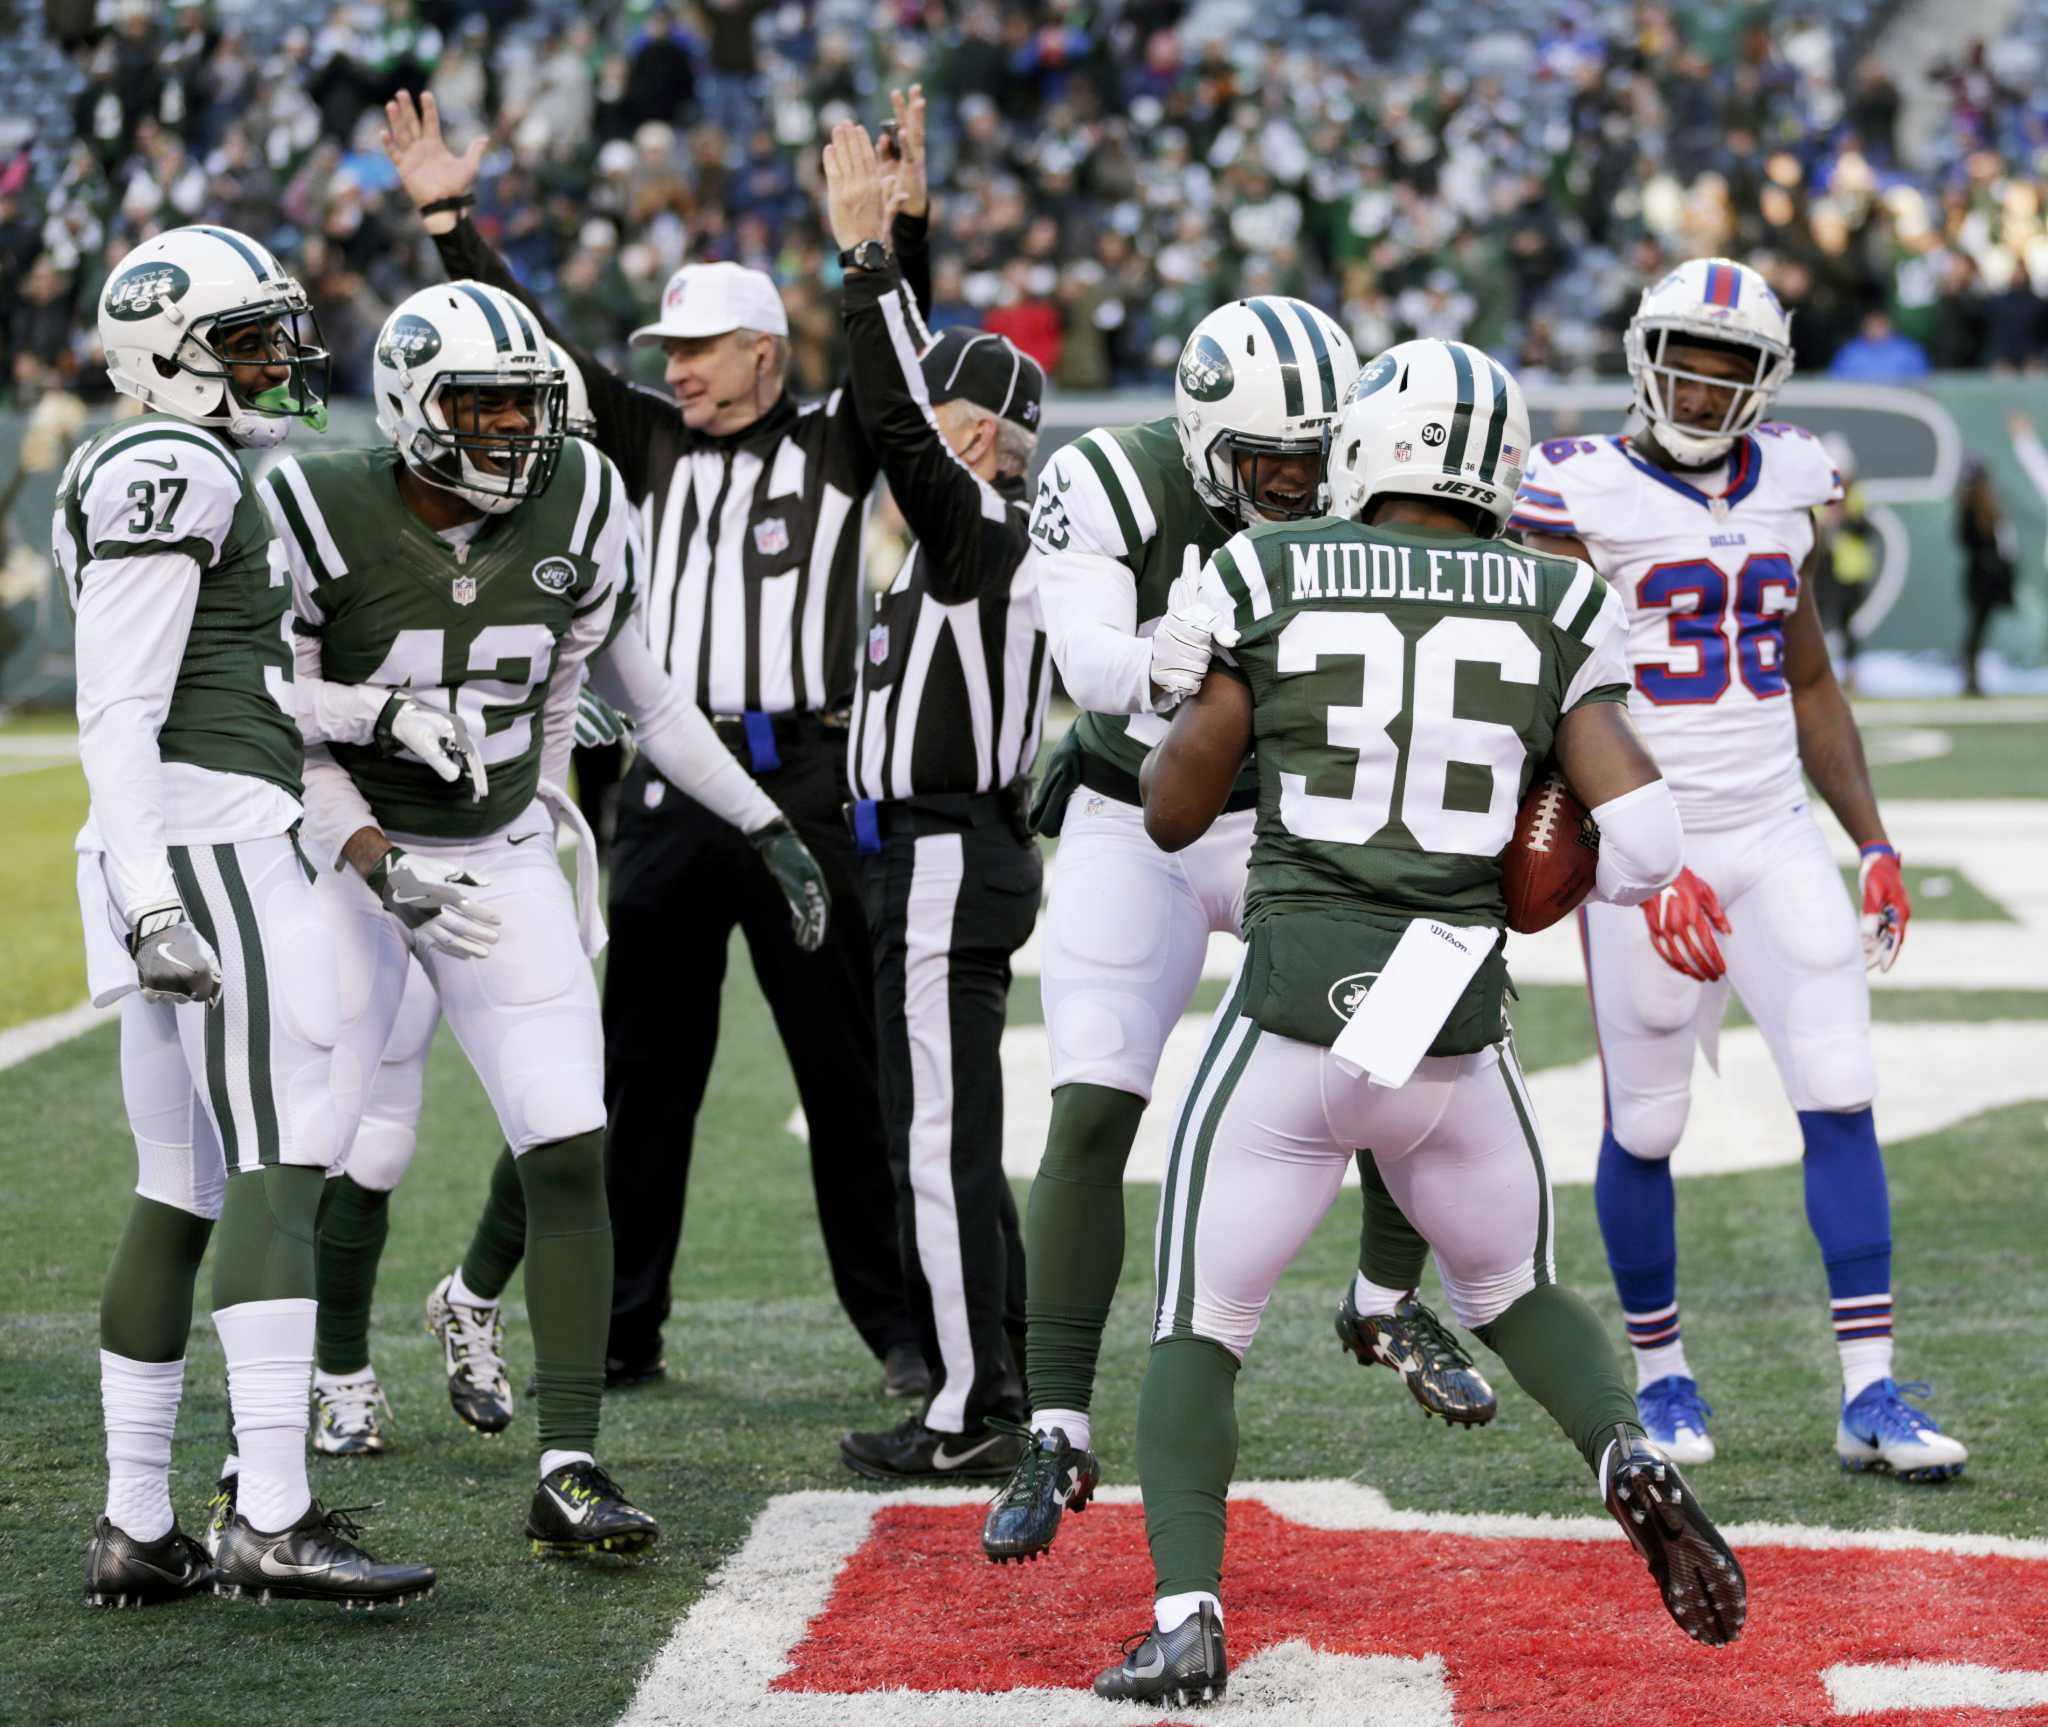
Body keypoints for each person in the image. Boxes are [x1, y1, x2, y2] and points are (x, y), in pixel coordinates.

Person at [1094, 339, 1743, 1706]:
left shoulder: (1266, 569)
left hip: (1291, 1015)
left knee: (1199, 1320)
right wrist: (1538, 846)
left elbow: (1168, 812)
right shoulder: (1557, 595)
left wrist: (1178, 692)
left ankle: (1190, 1612)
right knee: (1509, 1289)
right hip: (1451, 1016)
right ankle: (1625, 1449)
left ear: (1365, 449)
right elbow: (1645, 840)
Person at [258, 280, 830, 1553]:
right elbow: (270, 719)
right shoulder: (312, 506)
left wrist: (763, 823)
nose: (517, 429)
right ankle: (298, 1411)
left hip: (506, 850)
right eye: (486, 404)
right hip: (352, 856)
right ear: (411, 404)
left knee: (570, 1136)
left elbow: (652, 702)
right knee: (329, 1140)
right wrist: (364, 853)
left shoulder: (581, 495)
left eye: (530, 403)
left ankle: (569, 1459)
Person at [381, 88, 920, 1394]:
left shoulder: (838, 442)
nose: (675, 365)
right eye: (668, 346)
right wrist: (452, 223)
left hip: (801, 771)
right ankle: (623, 1318)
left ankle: (903, 1327)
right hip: (676, 788)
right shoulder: (647, 439)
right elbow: (543, 357)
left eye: (700, 345)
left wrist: (889, 244)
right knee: (640, 1069)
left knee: (846, 1071)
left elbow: (899, 377)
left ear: (765, 351)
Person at [982, 294, 1495, 1567]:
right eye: (1274, 467)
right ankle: (1053, 1418)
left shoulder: (1363, 480)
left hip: (1303, 823)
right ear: (1210, 443)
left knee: (1405, 1044)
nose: (1302, 487)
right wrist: (1197, 647)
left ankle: (1382, 1300)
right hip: (1135, 806)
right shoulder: (1110, 474)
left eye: (1322, 465)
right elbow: (1088, 660)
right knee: (1092, 1103)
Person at [1511, 256, 1966, 1480]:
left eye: (1728, 373)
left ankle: (1866, 1391)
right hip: (1642, 850)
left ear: (1764, 381)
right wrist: (1634, 856)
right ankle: (1660, 1377)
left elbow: (1805, 676)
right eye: (1686, 366)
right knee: (1646, 1121)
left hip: (1770, 831)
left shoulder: (1793, 481)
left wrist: (1868, 834)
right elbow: (1540, 694)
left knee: (1839, 1086)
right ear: (1642, 357)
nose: (1703, 393)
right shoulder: (1575, 488)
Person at [70, 224, 433, 1609]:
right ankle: (271, 1513)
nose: (273, 360)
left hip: (171, 835)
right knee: (281, 1160)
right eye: (244, 338)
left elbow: (242, 684)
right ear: (167, 353)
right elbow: (118, 700)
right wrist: (161, 896)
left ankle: (138, 1519)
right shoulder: (174, 462)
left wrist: (371, 712)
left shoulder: (187, 463)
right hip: (204, 846)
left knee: (182, 1188)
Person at [818, 123, 1050, 1481]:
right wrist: (904, 238)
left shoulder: (974, 525)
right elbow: (902, 405)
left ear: (970, 434)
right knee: (952, 1129)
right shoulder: (969, 532)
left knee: (936, 1139)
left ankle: (968, 1404)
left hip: (946, 851)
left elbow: (892, 412)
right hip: (940, 852)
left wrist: (867, 257)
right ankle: (999, 1364)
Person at [1956, 453, 2016, 697]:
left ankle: (1972, 673)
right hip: (1980, 577)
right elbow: (1967, 541)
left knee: (1980, 627)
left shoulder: (1989, 509)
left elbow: (2003, 544)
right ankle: (1969, 673)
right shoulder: (1969, 510)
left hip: (1989, 577)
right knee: (1976, 628)